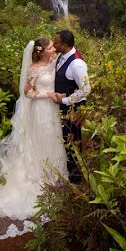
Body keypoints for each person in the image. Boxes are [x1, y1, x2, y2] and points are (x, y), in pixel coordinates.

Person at [0, 37, 68, 241]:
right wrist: (48, 95)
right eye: (50, 47)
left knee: (56, 140)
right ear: (41, 51)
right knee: (43, 140)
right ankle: (42, 176)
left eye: (54, 46)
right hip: (41, 110)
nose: (54, 48)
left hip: (54, 111)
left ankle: (56, 175)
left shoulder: (55, 61)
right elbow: (27, 93)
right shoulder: (33, 68)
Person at [51, 29, 90, 183]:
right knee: (64, 140)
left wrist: (65, 100)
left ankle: (75, 179)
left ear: (65, 45)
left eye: (56, 42)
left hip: (72, 109)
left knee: (72, 142)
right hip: (61, 109)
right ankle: (65, 172)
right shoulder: (61, 55)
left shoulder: (77, 64)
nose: (53, 44)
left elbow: (86, 89)